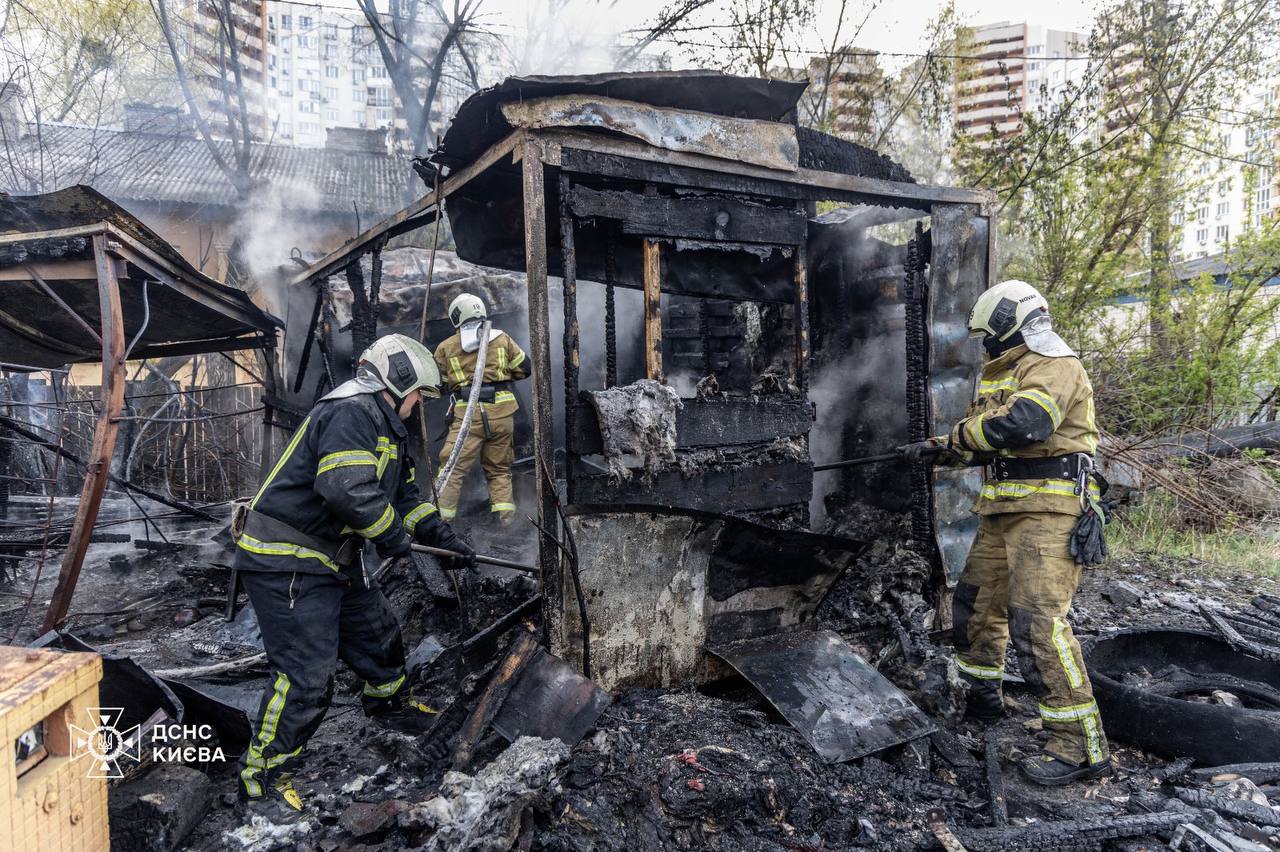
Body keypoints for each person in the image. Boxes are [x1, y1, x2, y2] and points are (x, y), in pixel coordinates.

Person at [231, 333, 475, 820]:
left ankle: (388, 705)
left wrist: (437, 534)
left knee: (378, 635)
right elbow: (345, 489)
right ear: (398, 382)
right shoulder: (351, 412)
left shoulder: (385, 426)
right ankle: (263, 778)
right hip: (288, 559)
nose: (418, 407)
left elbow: (404, 496)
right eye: (418, 397)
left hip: (333, 558)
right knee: (306, 675)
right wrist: (393, 539)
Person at [899, 279, 1111, 786]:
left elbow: (1026, 425)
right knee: (974, 608)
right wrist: (941, 450)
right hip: (1003, 513)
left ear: (1011, 324)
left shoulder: (1055, 364)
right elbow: (986, 439)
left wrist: (956, 437)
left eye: (989, 333)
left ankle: (1079, 747)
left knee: (1038, 625)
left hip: (1050, 513)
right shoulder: (1006, 372)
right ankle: (981, 698)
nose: (985, 344)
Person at [433, 293, 530, 524]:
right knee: (499, 469)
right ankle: (506, 521)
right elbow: (524, 368)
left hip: (469, 415)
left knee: (452, 469)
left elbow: (439, 384)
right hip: (503, 414)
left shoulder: (446, 347)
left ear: (456, 316)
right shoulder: (502, 338)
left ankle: (440, 522)